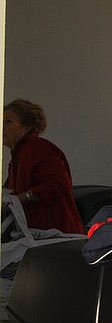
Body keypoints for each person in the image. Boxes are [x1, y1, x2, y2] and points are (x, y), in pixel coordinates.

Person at [2, 99, 84, 234]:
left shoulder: (36, 148)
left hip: (52, 234)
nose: (2, 127)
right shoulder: (19, 154)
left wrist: (23, 198)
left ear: (26, 127)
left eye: (8, 122)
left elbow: (58, 184)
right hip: (38, 235)